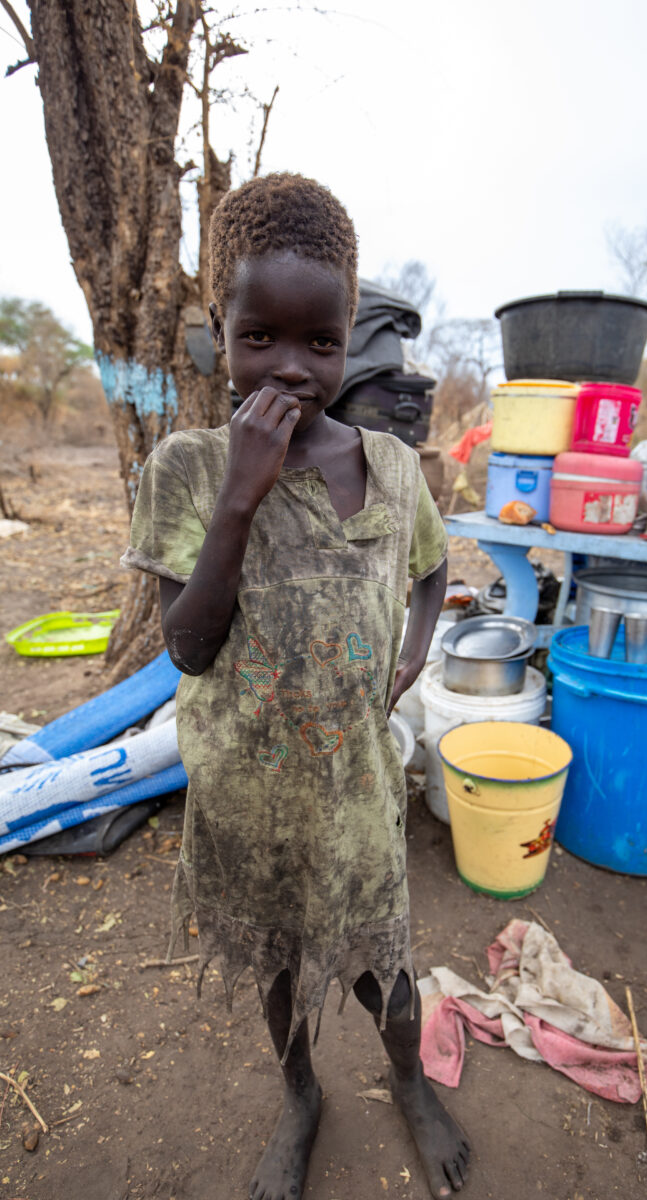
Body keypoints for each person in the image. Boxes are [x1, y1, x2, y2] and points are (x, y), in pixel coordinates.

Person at [123, 173, 470, 1200]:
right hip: (246, 795)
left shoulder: (393, 467)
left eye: (319, 342)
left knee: (385, 970)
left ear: (349, 331)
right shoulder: (185, 470)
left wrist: (413, 649)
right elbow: (187, 648)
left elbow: (433, 562)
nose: (290, 367)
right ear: (218, 330)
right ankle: (299, 1096)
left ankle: (406, 1081)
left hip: (355, 795)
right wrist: (240, 495)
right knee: (278, 970)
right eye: (259, 337)